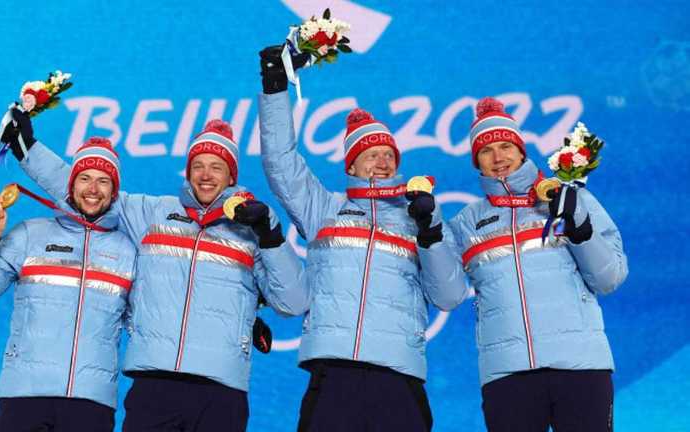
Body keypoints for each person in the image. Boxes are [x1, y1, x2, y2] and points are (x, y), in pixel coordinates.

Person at [4, 108, 309, 431]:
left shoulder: (254, 226)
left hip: (222, 390)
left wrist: (270, 235)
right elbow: (91, 190)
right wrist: (27, 149)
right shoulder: (152, 213)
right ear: (188, 172)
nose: (206, 175)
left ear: (231, 176)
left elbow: (293, 302)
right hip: (154, 385)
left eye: (217, 167)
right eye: (199, 166)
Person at [258, 46, 469, 432]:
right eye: (371, 155)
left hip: (399, 373)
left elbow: (450, 295)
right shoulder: (322, 208)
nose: (383, 162)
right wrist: (274, 91)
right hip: (333, 368)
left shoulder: (421, 213)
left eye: (389, 155)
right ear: (351, 165)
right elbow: (280, 163)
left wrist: (430, 233)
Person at [448, 97, 628, 431]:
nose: (498, 157)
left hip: (581, 366)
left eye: (506, 146)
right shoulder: (465, 223)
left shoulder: (571, 199)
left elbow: (610, 277)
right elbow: (446, 293)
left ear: (521, 150)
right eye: (487, 151)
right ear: (477, 162)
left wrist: (581, 229)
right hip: (507, 373)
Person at [0, 138, 137, 432]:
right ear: (71, 185)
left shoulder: (129, 252)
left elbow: (144, 323)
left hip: (91, 401)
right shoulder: (30, 235)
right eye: (85, 178)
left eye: (103, 181)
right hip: (24, 395)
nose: (92, 189)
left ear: (114, 192)